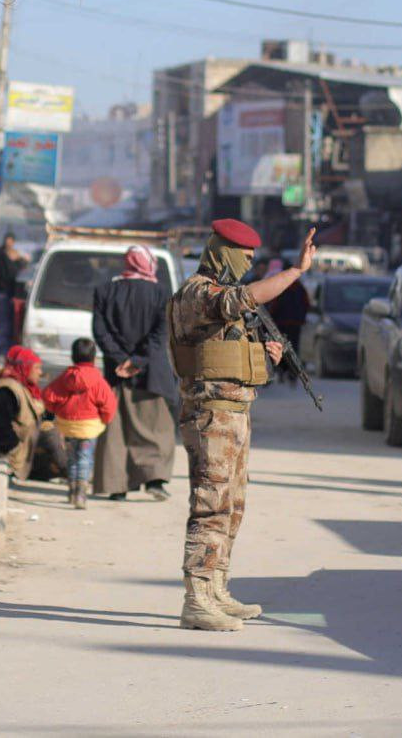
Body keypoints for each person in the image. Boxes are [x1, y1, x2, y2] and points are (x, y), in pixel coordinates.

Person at [169, 219, 316, 631]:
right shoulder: (198, 292)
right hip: (211, 415)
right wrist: (296, 271)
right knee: (211, 505)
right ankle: (197, 599)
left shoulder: (218, 296)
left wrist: (262, 354)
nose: (249, 264)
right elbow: (245, 298)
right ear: (222, 252)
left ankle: (217, 588)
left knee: (232, 506)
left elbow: (226, 352)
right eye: (244, 256)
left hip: (232, 413)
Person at [91, 245, 177, 502]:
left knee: (116, 430)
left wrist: (121, 359)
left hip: (116, 372)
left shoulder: (105, 290)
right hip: (152, 372)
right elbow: (161, 333)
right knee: (156, 428)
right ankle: (154, 480)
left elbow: (100, 331)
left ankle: (117, 487)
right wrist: (138, 360)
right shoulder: (162, 293)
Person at [42, 338, 117, 510]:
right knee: (85, 458)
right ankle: (81, 494)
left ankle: (72, 491)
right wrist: (105, 419)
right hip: (89, 427)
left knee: (72, 459)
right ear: (94, 358)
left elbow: (48, 396)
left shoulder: (65, 378)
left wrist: (57, 410)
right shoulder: (98, 380)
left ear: (72, 357)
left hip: (67, 426)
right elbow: (109, 404)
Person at [0, 346, 65, 482]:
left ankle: (69, 469)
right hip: (9, 456)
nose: (40, 373)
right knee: (51, 436)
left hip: (23, 454)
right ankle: (71, 471)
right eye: (37, 368)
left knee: (55, 433)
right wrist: (14, 450)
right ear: (25, 367)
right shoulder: (7, 389)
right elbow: (1, 427)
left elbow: (41, 414)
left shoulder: (24, 386)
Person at [268, 258, 311, 383]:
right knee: (293, 348)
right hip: (295, 324)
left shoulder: (282, 287)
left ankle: (283, 372)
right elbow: (306, 304)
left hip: (282, 324)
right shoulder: (300, 287)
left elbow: (274, 305)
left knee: (281, 348)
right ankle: (292, 373)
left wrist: (271, 318)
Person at [0, 233, 27, 366]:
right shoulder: (3, 257)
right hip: (2, 296)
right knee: (1, 327)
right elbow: (13, 273)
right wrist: (19, 261)